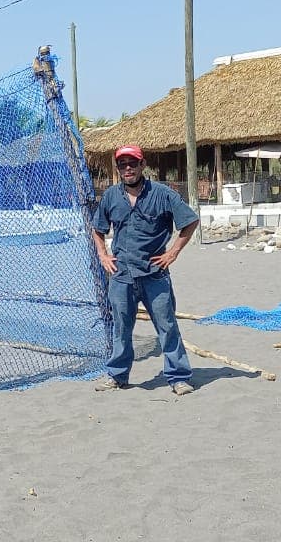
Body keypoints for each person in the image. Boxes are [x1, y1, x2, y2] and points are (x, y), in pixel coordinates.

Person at [91, 145, 200, 396]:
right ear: (118, 169)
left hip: (154, 274)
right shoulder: (110, 196)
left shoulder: (162, 194)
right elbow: (98, 228)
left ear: (142, 165)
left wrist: (172, 253)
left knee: (167, 326)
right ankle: (117, 375)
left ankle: (178, 377)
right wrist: (103, 255)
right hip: (122, 276)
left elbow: (190, 221)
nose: (127, 168)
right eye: (122, 164)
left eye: (132, 163)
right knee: (121, 329)